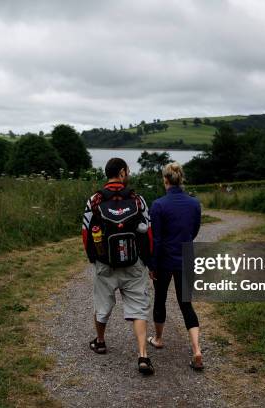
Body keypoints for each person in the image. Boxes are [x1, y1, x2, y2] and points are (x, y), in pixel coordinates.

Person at [82, 157, 155, 374]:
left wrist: (94, 259)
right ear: (122, 172)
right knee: (139, 308)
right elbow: (148, 233)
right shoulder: (138, 200)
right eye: (128, 171)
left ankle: (101, 341)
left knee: (102, 304)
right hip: (133, 263)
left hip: (105, 263)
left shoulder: (94, 200)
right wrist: (148, 262)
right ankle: (143, 355)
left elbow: (86, 234)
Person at [147, 162, 204, 370]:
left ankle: (159, 339)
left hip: (164, 260)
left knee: (160, 298)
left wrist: (152, 264)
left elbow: (157, 239)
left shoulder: (158, 205)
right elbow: (194, 230)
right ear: (181, 179)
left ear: (165, 180)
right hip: (186, 258)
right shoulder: (194, 204)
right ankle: (197, 349)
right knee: (186, 304)